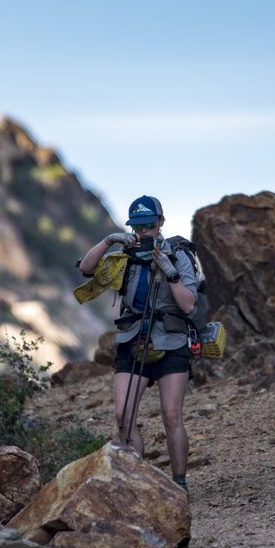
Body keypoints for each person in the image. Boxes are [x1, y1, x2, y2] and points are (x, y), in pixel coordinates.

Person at [76, 195, 198, 492]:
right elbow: (87, 269)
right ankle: (135, 483)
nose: (145, 232)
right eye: (138, 227)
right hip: (134, 340)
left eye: (150, 225)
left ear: (161, 222)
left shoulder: (179, 255)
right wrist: (110, 241)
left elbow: (188, 305)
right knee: (123, 416)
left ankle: (179, 483)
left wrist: (169, 272)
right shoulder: (126, 256)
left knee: (171, 415)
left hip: (171, 340)